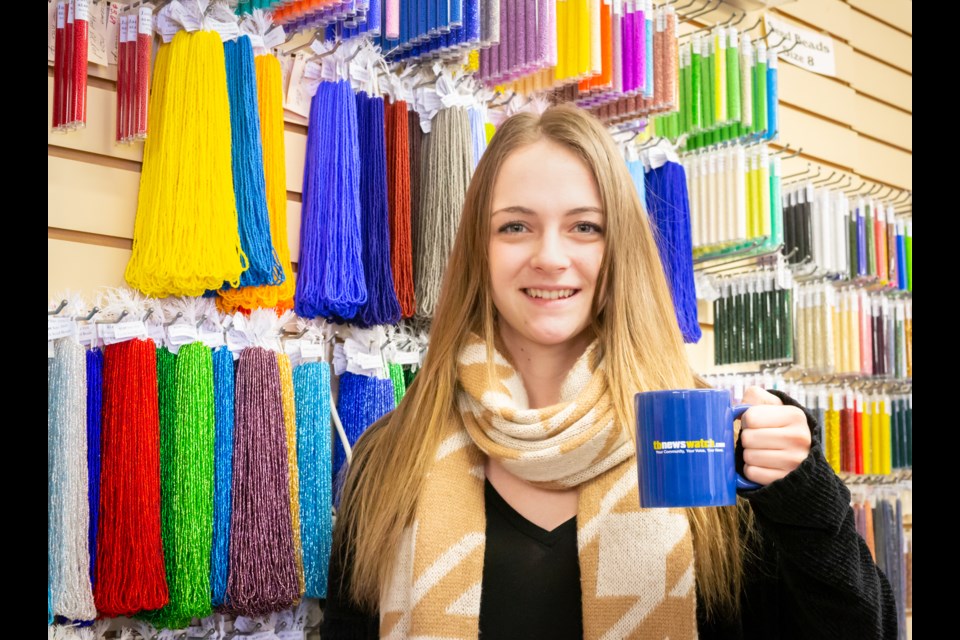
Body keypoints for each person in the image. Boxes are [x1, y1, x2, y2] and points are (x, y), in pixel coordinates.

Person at [320, 104, 898, 639]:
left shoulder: (718, 448)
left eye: (585, 227)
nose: (549, 255)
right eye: (514, 226)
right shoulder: (393, 454)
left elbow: (861, 628)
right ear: (479, 250)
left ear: (620, 248)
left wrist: (801, 493)